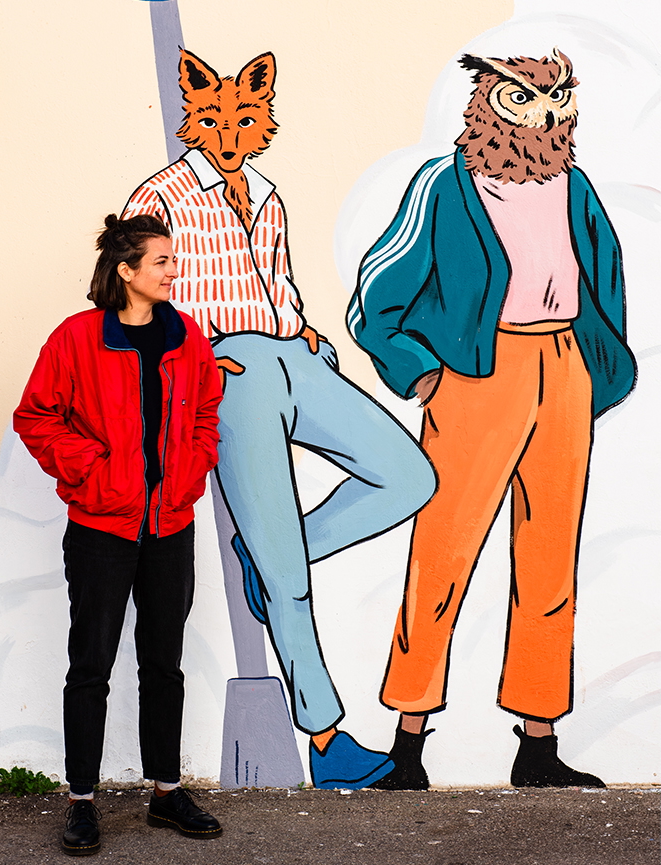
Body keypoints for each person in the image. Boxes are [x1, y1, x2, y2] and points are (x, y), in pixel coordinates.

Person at [122, 49, 436, 789]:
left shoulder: (266, 193)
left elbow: (275, 279)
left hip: (293, 354)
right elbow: (133, 291)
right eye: (212, 120)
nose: (229, 135)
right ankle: (327, 740)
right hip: (228, 371)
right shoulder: (163, 194)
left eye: (243, 119)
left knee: (409, 476)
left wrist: (306, 334)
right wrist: (190, 359)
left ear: (262, 115)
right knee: (286, 571)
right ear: (193, 118)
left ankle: (270, 561)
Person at [347, 50, 636, 789]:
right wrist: (420, 369)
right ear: (487, 104)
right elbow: (378, 291)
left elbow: (604, 274)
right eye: (523, 100)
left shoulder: (574, 186)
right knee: (442, 553)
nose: (542, 116)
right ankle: (407, 743)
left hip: (561, 367)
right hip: (478, 376)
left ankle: (538, 744)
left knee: (550, 561)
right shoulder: (445, 185)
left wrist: (596, 367)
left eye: (555, 101)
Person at [14, 214, 224, 855]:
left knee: (164, 664)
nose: (172, 270)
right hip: (101, 528)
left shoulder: (185, 336)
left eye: (172, 259)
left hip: (169, 525)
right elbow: (36, 416)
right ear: (126, 271)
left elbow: (207, 410)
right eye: (161, 260)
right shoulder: (77, 338)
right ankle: (81, 801)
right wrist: (94, 470)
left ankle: (166, 792)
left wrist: (192, 468)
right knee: (91, 666)